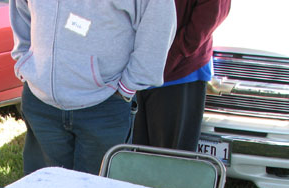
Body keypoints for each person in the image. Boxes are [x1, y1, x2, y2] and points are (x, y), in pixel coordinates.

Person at [10, 0, 176, 175]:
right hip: (41, 105)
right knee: (43, 186)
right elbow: (21, 8)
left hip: (104, 105)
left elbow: (158, 21)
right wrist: (25, 60)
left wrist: (127, 87)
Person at [133, 0, 231, 151]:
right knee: (132, 158)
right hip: (135, 73)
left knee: (171, 158)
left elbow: (208, 17)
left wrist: (169, 58)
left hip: (178, 74)